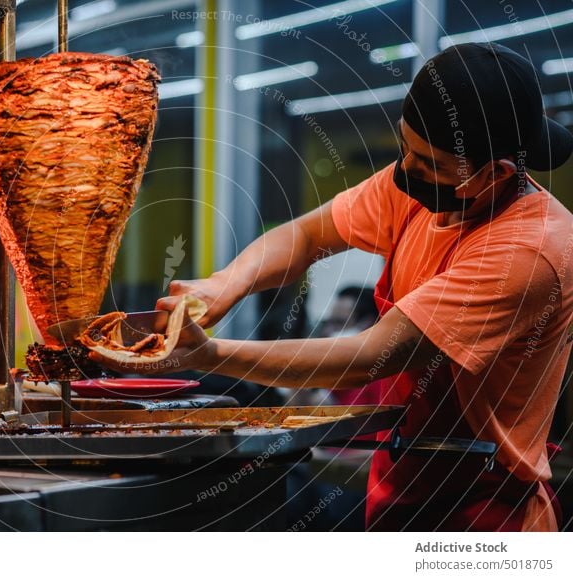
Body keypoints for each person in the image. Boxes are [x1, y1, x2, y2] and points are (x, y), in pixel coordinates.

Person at [91, 43, 573, 531]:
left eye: (427, 163)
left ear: (495, 174)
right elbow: (307, 236)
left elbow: (371, 356)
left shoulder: (526, 253)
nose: (404, 170)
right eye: (405, 147)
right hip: (400, 485)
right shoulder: (418, 185)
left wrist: (208, 355)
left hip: (485, 509)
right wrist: (223, 284)